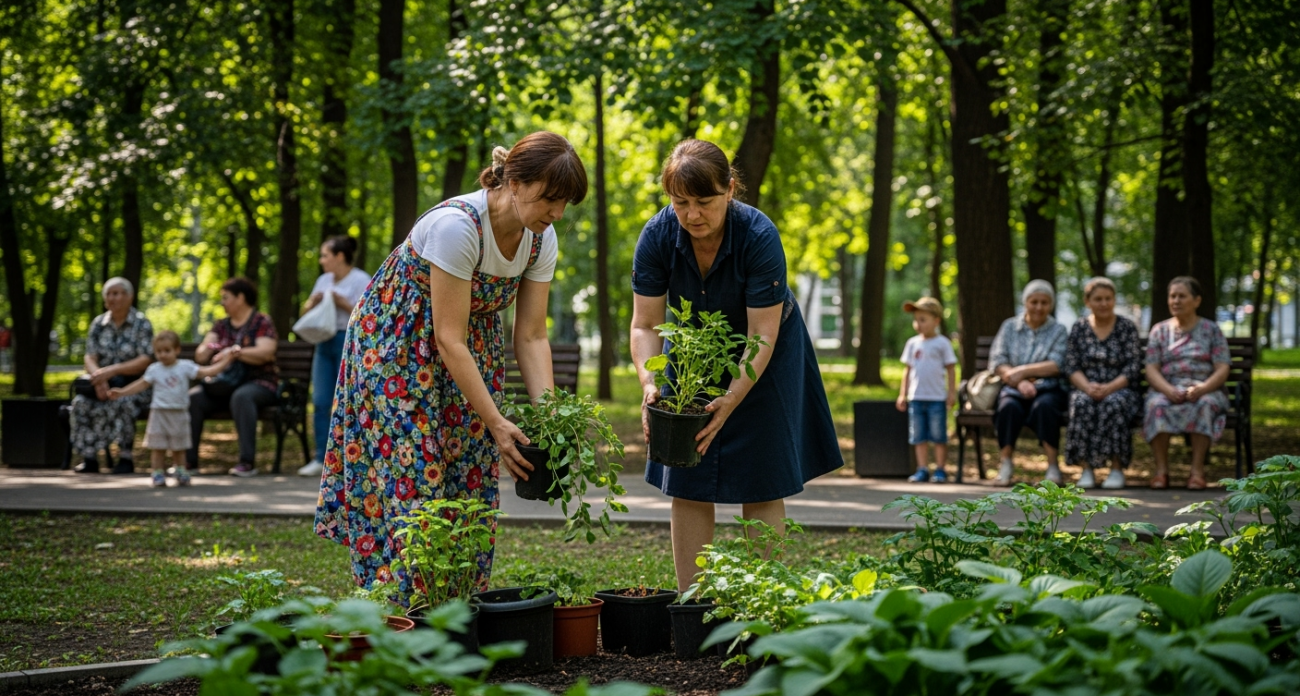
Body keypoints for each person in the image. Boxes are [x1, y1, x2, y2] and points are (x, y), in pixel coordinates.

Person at [314, 132, 588, 597]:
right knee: (414, 474)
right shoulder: (457, 227)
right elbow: (447, 337)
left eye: (566, 203)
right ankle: (401, 610)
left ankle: (458, 604)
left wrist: (550, 421)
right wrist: (498, 422)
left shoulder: (541, 240)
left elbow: (532, 334)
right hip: (396, 347)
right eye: (550, 199)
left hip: (468, 347)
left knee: (471, 469)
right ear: (515, 182)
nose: (557, 213)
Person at [629, 139, 842, 593]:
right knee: (688, 475)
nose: (691, 215)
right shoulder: (657, 235)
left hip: (766, 353)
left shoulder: (759, 236)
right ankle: (693, 602)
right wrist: (652, 384)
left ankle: (760, 600)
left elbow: (761, 334)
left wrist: (730, 399)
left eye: (704, 202)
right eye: (680, 202)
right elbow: (645, 324)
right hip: (692, 355)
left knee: (761, 477)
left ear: (729, 189)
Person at [110, 331, 236, 487]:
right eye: (159, 351)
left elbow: (209, 371)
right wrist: (122, 392)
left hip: (179, 413)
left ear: (177, 350)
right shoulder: (154, 369)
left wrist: (228, 359)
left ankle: (180, 470)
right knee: (158, 446)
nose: (163, 355)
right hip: (159, 413)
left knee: (179, 447)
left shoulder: (185, 367)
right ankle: (157, 472)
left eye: (167, 350)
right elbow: (141, 384)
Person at [1143, 276, 1231, 490]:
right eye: (1172, 296)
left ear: (1197, 301)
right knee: (1156, 405)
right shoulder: (1160, 331)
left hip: (1204, 388)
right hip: (1168, 388)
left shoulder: (1211, 330)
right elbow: (1151, 368)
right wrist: (1167, 389)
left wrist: (1203, 388)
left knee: (1204, 405)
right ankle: (1162, 472)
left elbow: (1222, 367)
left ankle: (1197, 472)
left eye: (1182, 296)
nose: (1176, 301)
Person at [188, 277, 280, 477]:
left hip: (259, 383)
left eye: (226, 297)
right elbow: (201, 353)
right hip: (223, 385)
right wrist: (213, 348)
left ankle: (247, 462)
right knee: (193, 398)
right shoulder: (221, 325)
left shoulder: (261, 321)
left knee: (242, 396)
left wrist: (235, 352)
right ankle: (189, 463)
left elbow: (266, 352)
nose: (222, 302)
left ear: (240, 298)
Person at [297, 236, 371, 478]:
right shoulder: (323, 280)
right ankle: (321, 458)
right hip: (323, 341)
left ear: (340, 256)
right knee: (320, 401)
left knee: (350, 401)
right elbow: (305, 312)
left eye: (325, 255)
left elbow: (368, 317)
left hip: (347, 341)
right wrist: (313, 301)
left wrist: (344, 303)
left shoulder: (361, 280)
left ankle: (351, 457)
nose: (321, 260)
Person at [1061, 277, 1142, 489]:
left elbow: (1133, 366)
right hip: (1085, 386)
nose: (1104, 303)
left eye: (1108, 298)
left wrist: (1110, 387)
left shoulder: (1126, 327)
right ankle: (1086, 469)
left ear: (1114, 300)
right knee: (1080, 403)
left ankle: (1116, 469)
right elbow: (1070, 365)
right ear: (1087, 301)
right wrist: (1087, 386)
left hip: (1120, 388)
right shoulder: (1079, 328)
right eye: (1098, 299)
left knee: (1114, 404)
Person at [988, 279, 1069, 486]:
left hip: (1048, 388)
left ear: (1051, 305)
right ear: (1026, 302)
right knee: (1008, 407)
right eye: (1034, 302)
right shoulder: (1009, 327)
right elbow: (997, 361)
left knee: (1045, 407)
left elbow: (1057, 364)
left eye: (1044, 302)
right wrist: (1018, 382)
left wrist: (1023, 371)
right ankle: (1005, 463)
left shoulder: (1058, 329)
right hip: (1014, 388)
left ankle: (1052, 466)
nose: (1039, 307)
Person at [71, 277, 154, 474]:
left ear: (130, 297)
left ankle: (125, 456)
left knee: (123, 402)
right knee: (80, 403)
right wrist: (99, 379)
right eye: (108, 294)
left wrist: (113, 370)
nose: (112, 298)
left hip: (132, 385)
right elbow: (90, 357)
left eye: (116, 293)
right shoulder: (98, 324)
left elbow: (146, 359)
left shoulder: (141, 323)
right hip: (101, 383)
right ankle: (90, 457)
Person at [895, 297, 957, 483]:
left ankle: (940, 469)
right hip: (916, 397)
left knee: (938, 435)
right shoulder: (912, 343)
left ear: (936, 321)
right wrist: (902, 393)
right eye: (916, 319)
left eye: (923, 319)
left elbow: (951, 369)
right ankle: (922, 468)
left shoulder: (942, 343)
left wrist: (951, 393)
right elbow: (907, 371)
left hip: (937, 397)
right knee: (918, 435)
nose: (918, 324)